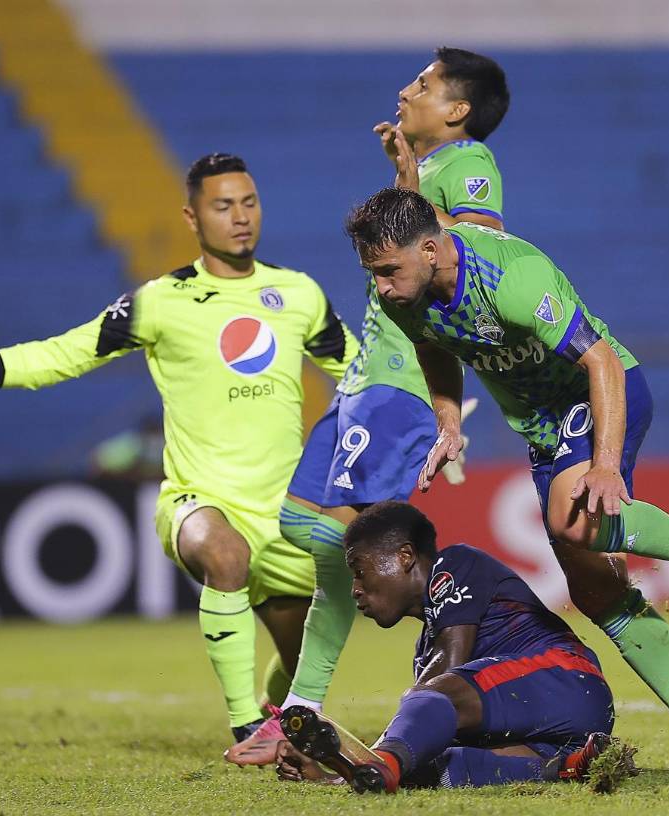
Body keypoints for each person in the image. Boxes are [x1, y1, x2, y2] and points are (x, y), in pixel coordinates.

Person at [0, 153, 359, 758]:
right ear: (192, 217)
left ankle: (283, 716)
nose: (241, 217)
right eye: (224, 206)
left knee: (303, 659)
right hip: (201, 500)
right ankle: (246, 727)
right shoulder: (160, 301)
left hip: (283, 511)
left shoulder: (297, 294)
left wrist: (430, 417)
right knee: (225, 556)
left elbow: (360, 373)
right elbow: (61, 355)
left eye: (249, 203)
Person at [344, 187, 669, 776]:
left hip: (597, 392)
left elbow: (599, 361)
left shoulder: (513, 280)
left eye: (389, 270)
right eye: (374, 273)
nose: (382, 287)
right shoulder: (404, 293)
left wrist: (604, 463)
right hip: (543, 427)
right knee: (595, 590)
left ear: (429, 248)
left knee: (570, 516)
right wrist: (448, 421)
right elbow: (434, 349)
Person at [230, 48, 512, 764]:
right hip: (365, 377)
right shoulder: (424, 171)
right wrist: (405, 178)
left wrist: (413, 182)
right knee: (319, 548)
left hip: (399, 382)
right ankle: (298, 706)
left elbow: (475, 249)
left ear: (457, 110)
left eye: (423, 84)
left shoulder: (471, 162)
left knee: (333, 540)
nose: (405, 90)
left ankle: (430, 588)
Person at [275, 501, 617, 792]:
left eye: (360, 570)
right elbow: (429, 728)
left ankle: (380, 761)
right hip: (553, 734)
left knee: (428, 703)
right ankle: (566, 768)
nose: (355, 589)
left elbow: (447, 677)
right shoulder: (426, 653)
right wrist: (334, 776)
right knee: (434, 764)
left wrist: (376, 750)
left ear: (405, 555)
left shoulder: (452, 566)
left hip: (568, 682)